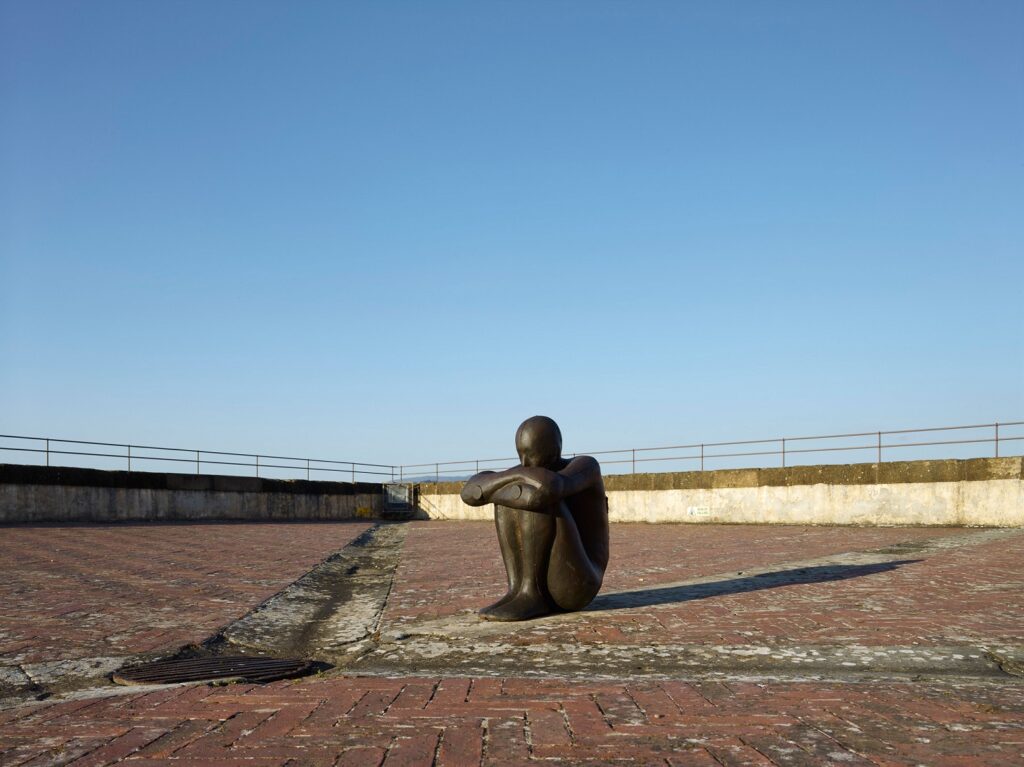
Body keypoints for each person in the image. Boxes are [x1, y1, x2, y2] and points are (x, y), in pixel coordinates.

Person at [461, 416, 609, 621]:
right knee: (518, 498)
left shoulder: (585, 466)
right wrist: (513, 482)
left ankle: (532, 592)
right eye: (521, 454)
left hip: (580, 582)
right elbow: (469, 493)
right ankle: (516, 590)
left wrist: (495, 489)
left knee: (541, 502)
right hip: (557, 579)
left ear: (553, 450)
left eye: (531, 454)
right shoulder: (526, 472)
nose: (524, 463)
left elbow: (551, 488)